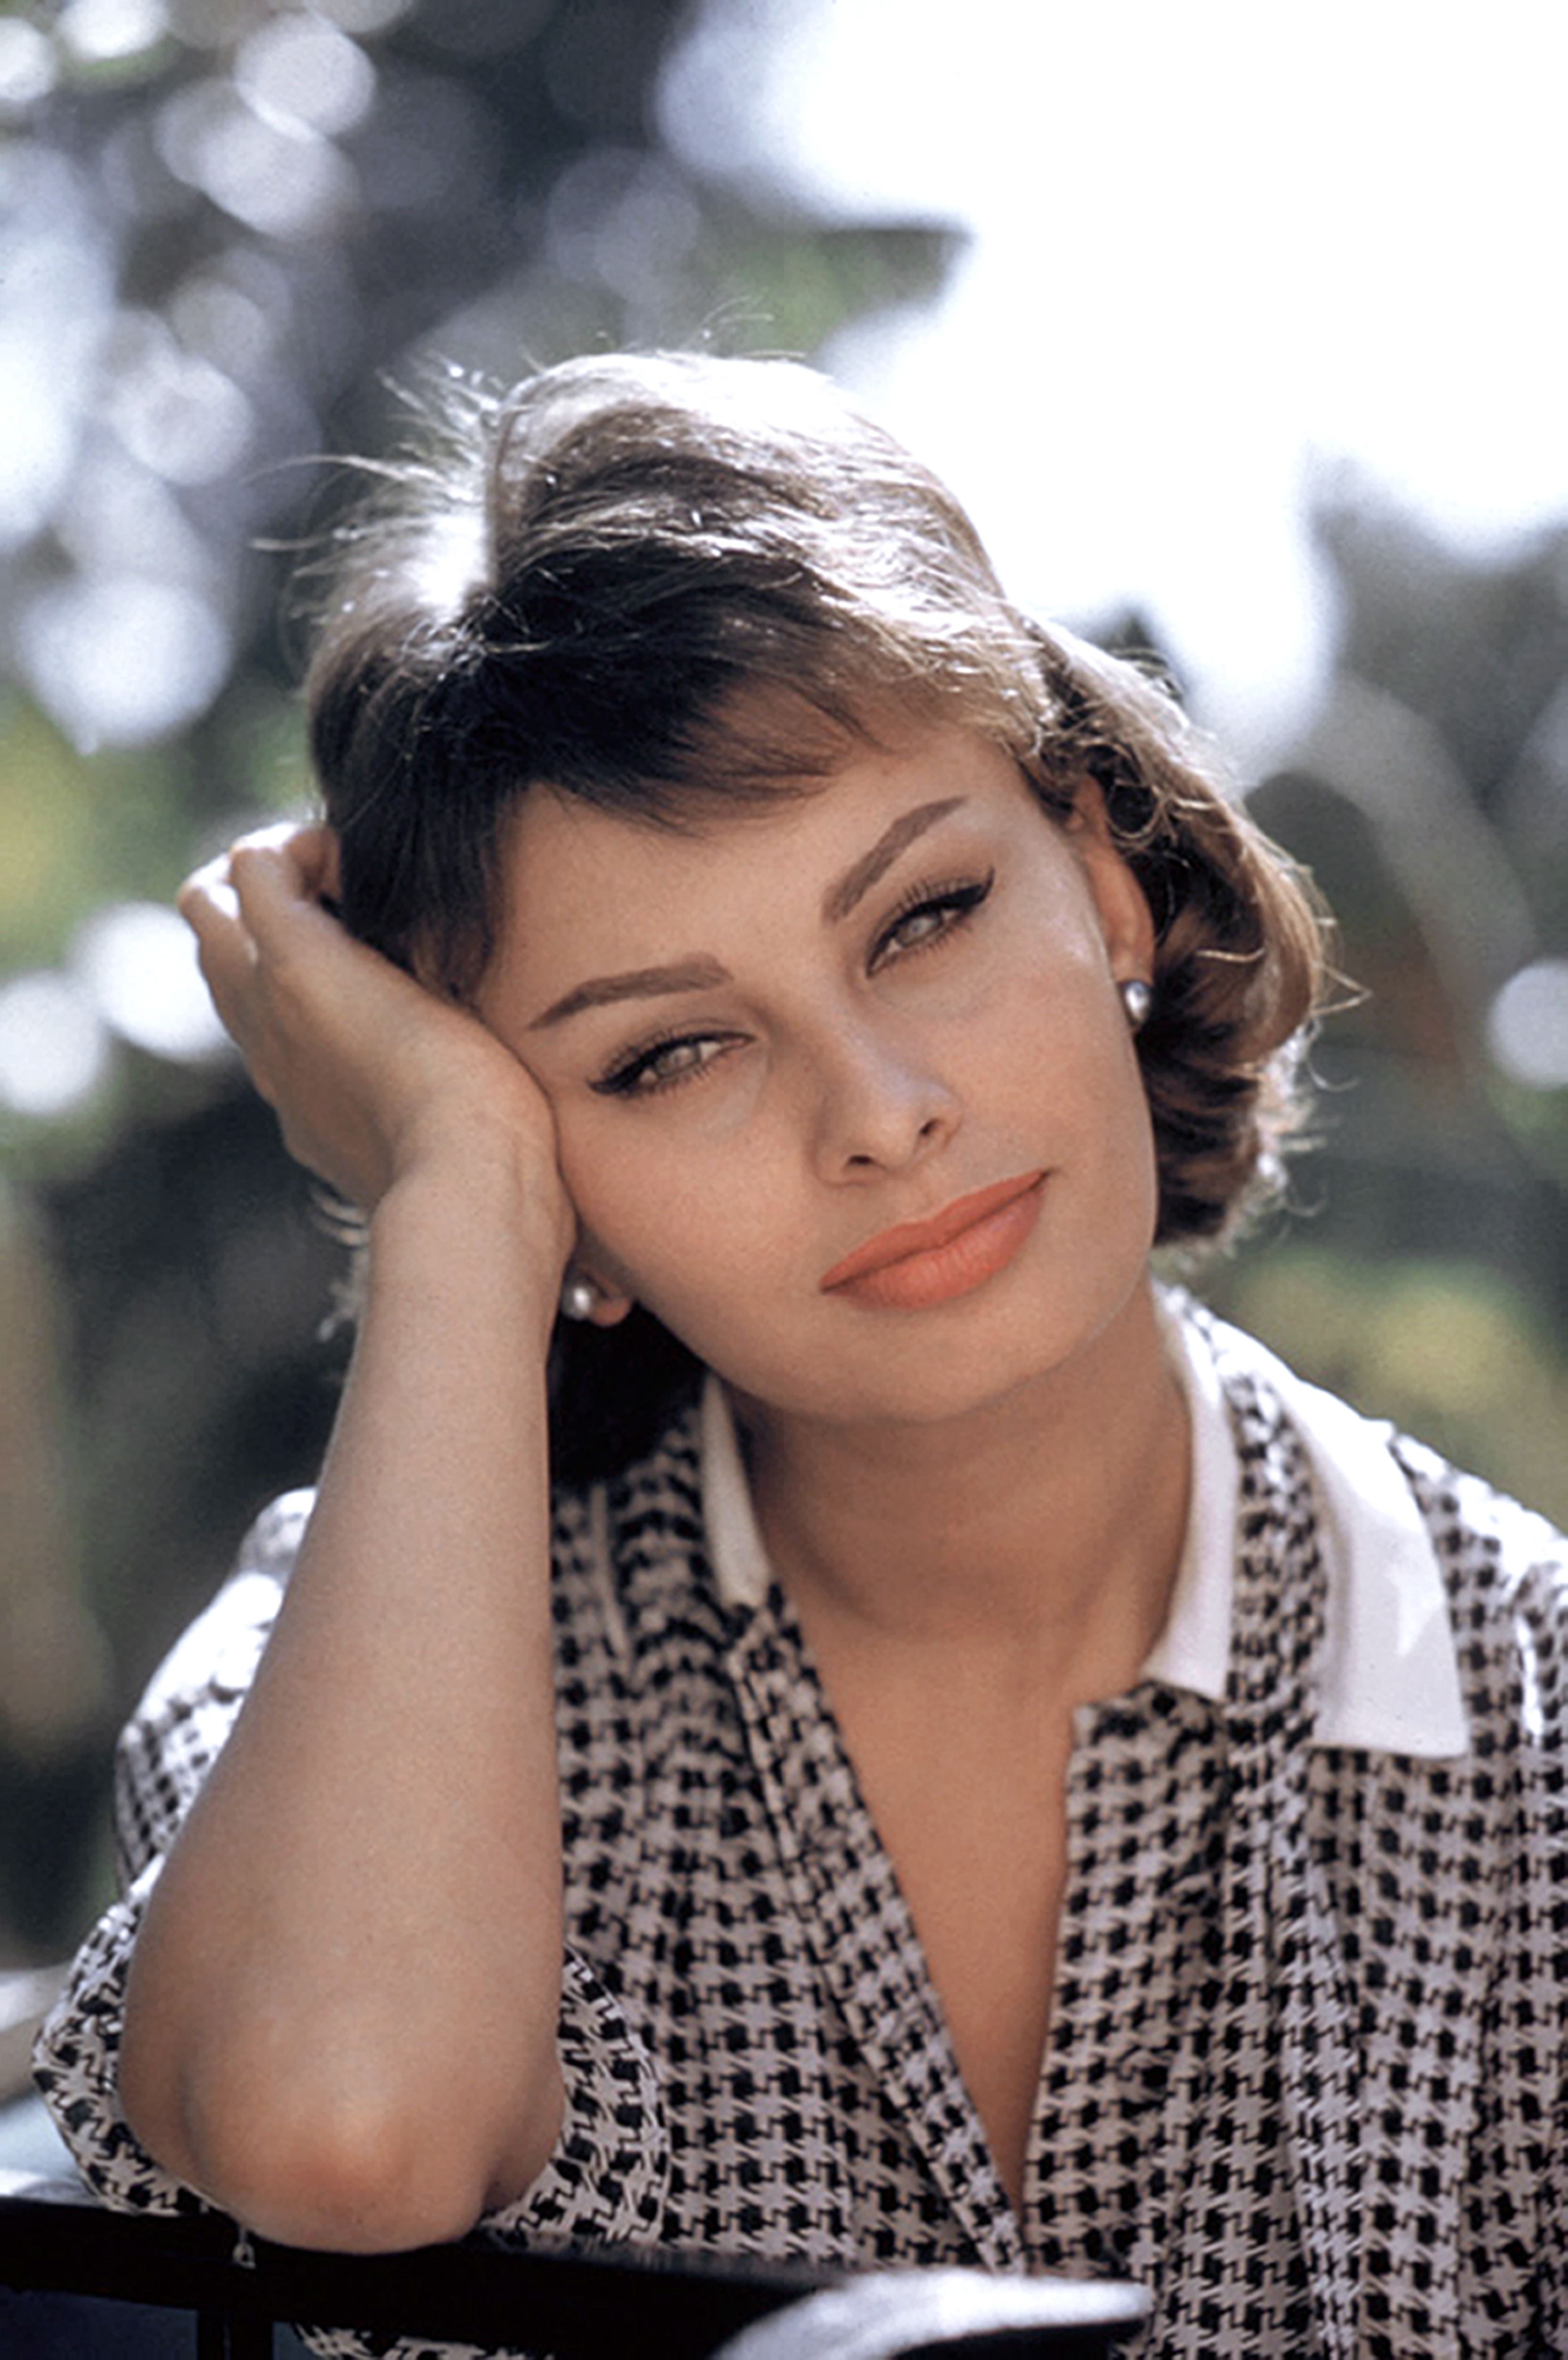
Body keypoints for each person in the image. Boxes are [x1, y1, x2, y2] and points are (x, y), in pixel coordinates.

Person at [34, 352, 1568, 2358]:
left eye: (924, 915)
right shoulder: (334, 1694)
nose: (876, 1110)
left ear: (1103, 881)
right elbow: (342, 2134)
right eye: (667, 1051)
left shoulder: (1525, 1717)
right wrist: (459, 1200)